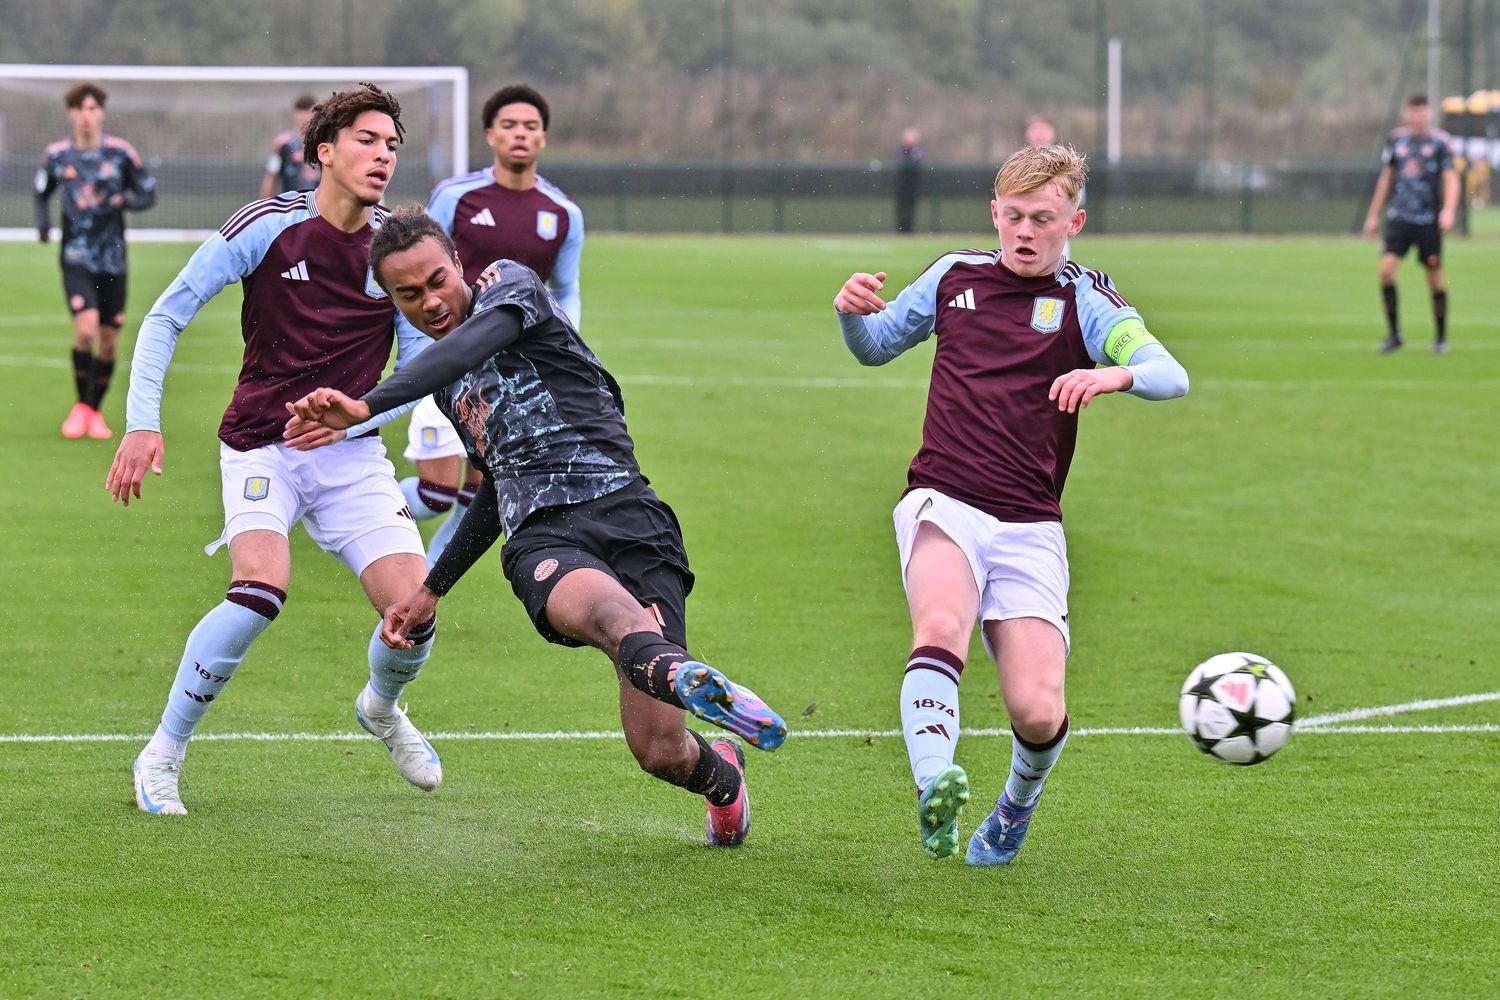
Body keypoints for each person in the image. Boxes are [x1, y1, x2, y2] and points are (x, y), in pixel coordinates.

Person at [286, 207, 788, 846]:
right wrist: (431, 588)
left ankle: (723, 777)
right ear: (390, 300)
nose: (430, 302)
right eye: (407, 295)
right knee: (613, 618)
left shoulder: (510, 286)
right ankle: (686, 676)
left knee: (660, 751)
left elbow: (471, 341)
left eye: (437, 281)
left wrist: (368, 404)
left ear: (459, 265)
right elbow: (494, 485)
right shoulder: (448, 391)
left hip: (631, 516)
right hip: (543, 538)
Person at [832, 143, 1188, 865]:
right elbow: (874, 347)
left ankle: (1015, 808)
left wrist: (1115, 376)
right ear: (994, 213)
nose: (1026, 232)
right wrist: (849, 314)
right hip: (945, 496)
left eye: (1045, 219)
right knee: (939, 621)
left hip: (1029, 524)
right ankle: (936, 785)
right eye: (1015, 216)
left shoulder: (1087, 300)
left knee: (1036, 707)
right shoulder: (952, 277)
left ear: (1075, 221)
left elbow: (1168, 374)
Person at [107, 84, 443, 816]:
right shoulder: (267, 225)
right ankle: (161, 754)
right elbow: (167, 315)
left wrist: (353, 420)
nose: (382, 154)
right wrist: (142, 422)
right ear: (324, 150)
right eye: (366, 139)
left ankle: (382, 708)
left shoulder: (399, 247)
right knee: (260, 589)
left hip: (351, 457)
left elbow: (421, 371)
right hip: (262, 445)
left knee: (415, 612)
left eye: (392, 145)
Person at [401, 84, 584, 567]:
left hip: (516, 375)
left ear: (543, 137)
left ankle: (427, 582)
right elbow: (416, 264)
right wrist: (420, 347)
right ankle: (354, 512)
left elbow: (565, 290)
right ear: (490, 135)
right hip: (449, 359)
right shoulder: (457, 197)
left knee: (485, 490)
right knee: (434, 493)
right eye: (509, 126)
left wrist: (568, 345)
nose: (519, 135)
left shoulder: (564, 214)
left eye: (530, 127)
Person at [35, 81, 157, 440]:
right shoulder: (57, 155)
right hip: (76, 257)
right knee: (85, 330)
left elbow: (147, 193)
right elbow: (41, 193)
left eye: (92, 108)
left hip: (114, 260)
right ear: (71, 114)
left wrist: (125, 203)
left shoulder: (120, 153)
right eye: (79, 109)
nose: (86, 116)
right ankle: (81, 407)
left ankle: (92, 410)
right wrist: (42, 226)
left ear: (101, 113)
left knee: (108, 340)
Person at [1363, 94, 1459, 355]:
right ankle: (1394, 334)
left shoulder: (1440, 143)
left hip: (1428, 221)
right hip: (1399, 218)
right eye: (1414, 112)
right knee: (1386, 271)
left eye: (1423, 112)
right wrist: (1373, 215)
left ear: (1429, 114)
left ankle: (1440, 338)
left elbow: (1451, 179)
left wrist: (1448, 211)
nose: (1418, 117)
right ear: (1408, 114)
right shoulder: (1396, 140)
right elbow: (1386, 178)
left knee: (1435, 278)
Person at [258, 93, 320, 199]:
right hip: (291, 205)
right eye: (300, 111)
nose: (304, 116)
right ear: (295, 113)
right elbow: (271, 174)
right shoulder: (283, 144)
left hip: (319, 204)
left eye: (307, 111)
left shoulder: (323, 142)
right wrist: (265, 202)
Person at [894, 127, 924, 234]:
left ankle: (910, 229)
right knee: (901, 208)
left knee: (912, 208)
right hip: (902, 185)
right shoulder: (901, 150)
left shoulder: (918, 150)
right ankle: (900, 229)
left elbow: (919, 162)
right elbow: (901, 162)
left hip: (914, 185)